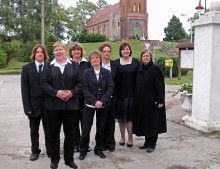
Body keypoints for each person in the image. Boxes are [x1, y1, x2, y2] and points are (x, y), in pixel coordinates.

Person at [41, 41, 82, 169]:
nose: (58, 52)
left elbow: (81, 84)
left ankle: (69, 160)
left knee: (70, 134)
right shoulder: (47, 67)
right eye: (56, 50)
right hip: (53, 107)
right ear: (53, 52)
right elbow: (44, 84)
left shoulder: (75, 65)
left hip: (71, 106)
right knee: (54, 134)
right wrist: (56, 93)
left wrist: (71, 92)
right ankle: (54, 159)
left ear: (65, 51)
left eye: (61, 49)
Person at [78, 50, 114, 160]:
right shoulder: (87, 73)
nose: (95, 60)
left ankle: (98, 149)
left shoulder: (106, 73)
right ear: (90, 60)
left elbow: (110, 87)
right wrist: (94, 101)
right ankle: (83, 150)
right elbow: (85, 88)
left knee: (101, 129)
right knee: (86, 129)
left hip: (103, 105)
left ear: (100, 59)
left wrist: (102, 101)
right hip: (89, 105)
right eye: (92, 58)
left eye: (97, 57)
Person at [21, 44, 51, 161]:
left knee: (49, 130)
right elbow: (24, 90)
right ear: (34, 54)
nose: (40, 54)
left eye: (42, 52)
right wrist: (27, 107)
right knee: (34, 131)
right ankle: (35, 151)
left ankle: (50, 150)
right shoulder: (27, 68)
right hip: (33, 107)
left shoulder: (50, 67)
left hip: (48, 106)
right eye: (37, 52)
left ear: (44, 54)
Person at [133, 49, 167, 153]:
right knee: (145, 122)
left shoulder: (155, 69)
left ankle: (152, 144)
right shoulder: (140, 68)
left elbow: (160, 86)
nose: (145, 57)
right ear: (141, 58)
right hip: (142, 102)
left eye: (147, 56)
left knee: (153, 122)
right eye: (144, 56)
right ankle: (147, 142)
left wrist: (161, 100)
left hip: (153, 101)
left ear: (150, 57)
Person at [115, 42, 140, 147]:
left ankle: (130, 138)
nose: (125, 51)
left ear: (130, 51)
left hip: (132, 94)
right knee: (121, 118)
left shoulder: (135, 62)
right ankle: (122, 137)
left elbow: (140, 78)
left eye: (127, 49)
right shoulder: (116, 63)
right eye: (123, 49)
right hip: (119, 94)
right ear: (120, 51)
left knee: (129, 118)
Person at [69, 42, 91, 153]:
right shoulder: (67, 64)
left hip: (85, 98)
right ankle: (76, 144)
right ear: (71, 52)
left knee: (85, 122)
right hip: (72, 98)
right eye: (74, 50)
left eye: (78, 50)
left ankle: (85, 144)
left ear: (81, 51)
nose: (76, 51)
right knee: (73, 123)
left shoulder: (87, 64)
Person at [98, 44, 120, 152]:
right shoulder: (97, 65)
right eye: (104, 51)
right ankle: (102, 143)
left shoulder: (115, 65)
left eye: (108, 51)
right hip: (101, 98)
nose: (107, 53)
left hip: (113, 97)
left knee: (111, 121)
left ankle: (111, 143)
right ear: (101, 53)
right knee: (102, 122)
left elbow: (119, 81)